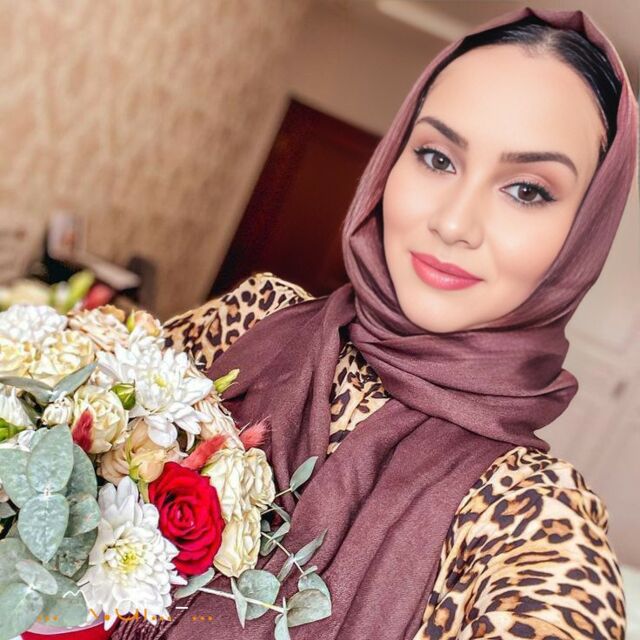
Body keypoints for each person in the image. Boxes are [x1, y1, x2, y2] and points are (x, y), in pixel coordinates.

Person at [111, 6, 638, 640]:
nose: (453, 222)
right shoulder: (252, 318)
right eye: (437, 158)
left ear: (584, 233)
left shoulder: (528, 513)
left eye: (527, 190)